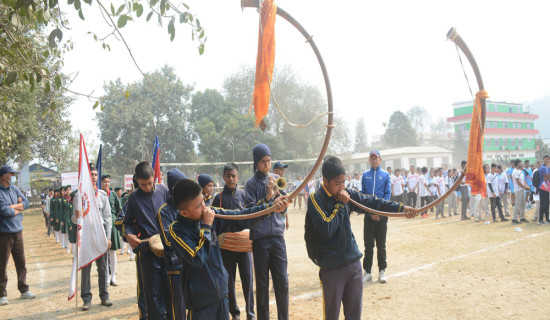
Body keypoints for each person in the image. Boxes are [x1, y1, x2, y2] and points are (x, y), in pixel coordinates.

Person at [306, 156, 415, 320]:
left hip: (353, 263)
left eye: (344, 182)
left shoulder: (345, 193)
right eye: (337, 183)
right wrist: (342, 204)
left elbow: (372, 202)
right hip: (332, 267)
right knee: (331, 316)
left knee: (355, 315)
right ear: (325, 181)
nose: (342, 187)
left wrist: (401, 208)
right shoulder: (316, 198)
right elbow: (327, 227)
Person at [168, 178, 287, 320]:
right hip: (200, 305)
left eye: (203, 201)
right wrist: (206, 227)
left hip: (222, 297)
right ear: (184, 213)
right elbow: (197, 258)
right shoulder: (176, 230)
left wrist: (270, 208)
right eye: (199, 206)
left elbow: (241, 217)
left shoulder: (209, 214)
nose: (205, 208)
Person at [244, 143, 289, 320]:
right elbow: (250, 212)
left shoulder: (276, 179)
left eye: (269, 161)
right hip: (260, 240)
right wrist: (268, 197)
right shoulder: (250, 184)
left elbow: (284, 210)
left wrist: (278, 195)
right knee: (262, 286)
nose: (267, 165)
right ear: (256, 162)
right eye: (263, 161)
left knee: (282, 283)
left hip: (277, 238)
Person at [123, 161, 170, 319]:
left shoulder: (164, 191)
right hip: (147, 252)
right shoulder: (134, 198)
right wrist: (129, 235)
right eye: (143, 185)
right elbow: (127, 223)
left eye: (150, 183)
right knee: (152, 293)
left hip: (168, 250)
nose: (147, 188)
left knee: (169, 289)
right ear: (136, 180)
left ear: (154, 177)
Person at [214, 163, 256, 320]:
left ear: (238, 177)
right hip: (225, 247)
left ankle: (250, 314)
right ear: (223, 177)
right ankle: (235, 313)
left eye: (233, 176)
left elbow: (251, 218)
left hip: (244, 246)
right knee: (229, 281)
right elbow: (214, 223)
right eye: (228, 176)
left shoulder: (245, 196)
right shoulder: (217, 199)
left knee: (248, 280)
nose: (231, 179)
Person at [73, 163, 112, 311]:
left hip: (100, 236)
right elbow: (73, 219)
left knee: (102, 268)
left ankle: (104, 296)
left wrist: (108, 237)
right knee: (86, 269)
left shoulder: (102, 195)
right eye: (91, 174)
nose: (94, 177)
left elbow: (108, 218)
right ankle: (86, 298)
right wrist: (76, 216)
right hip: (86, 236)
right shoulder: (79, 195)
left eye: (96, 175)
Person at [0, 165, 35, 306]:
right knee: (2, 265)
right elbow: (4, 211)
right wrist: (17, 207)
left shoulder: (14, 189)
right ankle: (2, 294)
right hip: (4, 234)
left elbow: (26, 204)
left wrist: (13, 207)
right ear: (4, 176)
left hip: (18, 232)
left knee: (21, 262)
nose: (13, 176)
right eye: (11, 174)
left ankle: (24, 289)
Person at [158, 169, 188, 320]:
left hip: (190, 262)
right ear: (173, 188)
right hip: (175, 265)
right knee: (178, 307)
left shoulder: (186, 206)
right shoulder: (164, 211)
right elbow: (168, 240)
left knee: (191, 302)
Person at [360, 150, 391, 283]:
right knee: (368, 245)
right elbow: (362, 195)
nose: (374, 160)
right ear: (369, 160)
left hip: (382, 216)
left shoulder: (385, 175)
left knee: (381, 245)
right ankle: (367, 272)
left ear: (380, 159)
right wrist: (370, 212)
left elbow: (387, 194)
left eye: (376, 158)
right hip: (368, 215)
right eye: (371, 158)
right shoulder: (365, 175)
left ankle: (382, 271)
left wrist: (379, 213)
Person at [103, 176, 122, 286]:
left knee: (113, 252)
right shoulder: (99, 194)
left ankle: (113, 277)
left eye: (108, 182)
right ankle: (106, 276)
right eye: (105, 182)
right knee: (104, 252)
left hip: (113, 224)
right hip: (102, 225)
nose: (107, 184)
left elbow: (119, 209)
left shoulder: (113, 195)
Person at [512, 159, 530, 224]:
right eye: (520, 163)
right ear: (517, 164)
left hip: (522, 189)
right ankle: (514, 218)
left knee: (523, 204)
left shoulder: (520, 171)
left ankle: (522, 217)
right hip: (518, 190)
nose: (521, 164)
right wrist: (525, 187)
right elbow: (518, 181)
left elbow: (523, 180)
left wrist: (527, 186)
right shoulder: (515, 171)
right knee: (517, 204)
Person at [538, 155, 550, 224]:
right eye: (546, 159)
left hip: (547, 187)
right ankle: (540, 219)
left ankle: (547, 218)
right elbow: (547, 176)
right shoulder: (542, 168)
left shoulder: (548, 168)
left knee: (547, 203)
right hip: (542, 187)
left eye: (548, 159)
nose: (547, 160)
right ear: (543, 160)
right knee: (542, 204)